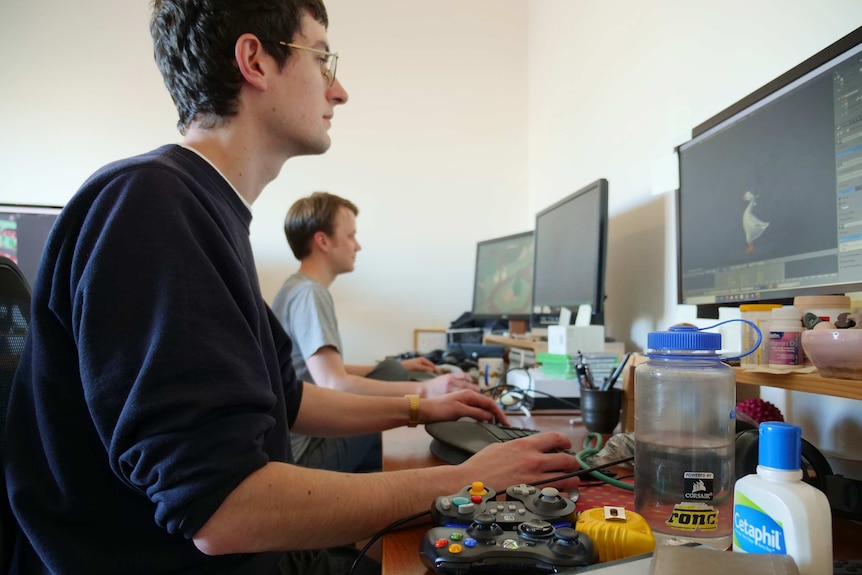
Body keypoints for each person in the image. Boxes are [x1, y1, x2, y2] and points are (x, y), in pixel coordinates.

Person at [3, 1, 582, 574]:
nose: (339, 91)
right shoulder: (152, 206)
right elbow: (225, 511)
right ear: (255, 60)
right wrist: (468, 481)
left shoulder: (200, 210)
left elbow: (292, 397)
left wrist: (418, 407)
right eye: (323, 59)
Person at [272, 191, 479, 473]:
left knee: (391, 368)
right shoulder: (310, 293)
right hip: (307, 454)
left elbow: (319, 371)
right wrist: (426, 390)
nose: (357, 246)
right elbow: (335, 384)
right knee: (393, 377)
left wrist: (399, 366)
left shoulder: (293, 288)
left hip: (295, 444)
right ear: (323, 241)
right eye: (350, 236)